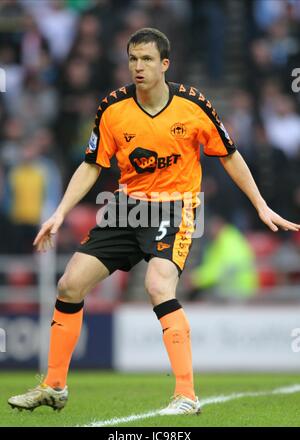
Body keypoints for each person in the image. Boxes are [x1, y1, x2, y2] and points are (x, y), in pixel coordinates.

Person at [8, 28, 300, 416]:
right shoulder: (113, 108)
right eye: (133, 59)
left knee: (158, 285)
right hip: (126, 208)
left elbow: (229, 154)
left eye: (147, 59)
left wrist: (260, 205)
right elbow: (92, 164)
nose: (138, 66)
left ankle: (186, 394)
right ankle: (54, 386)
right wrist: (60, 212)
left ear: (165, 64)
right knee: (69, 284)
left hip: (175, 207)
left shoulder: (193, 105)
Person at [189, 215, 259, 301]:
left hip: (237, 291)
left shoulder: (228, 242)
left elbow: (221, 269)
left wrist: (197, 279)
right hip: (234, 290)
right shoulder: (226, 239)